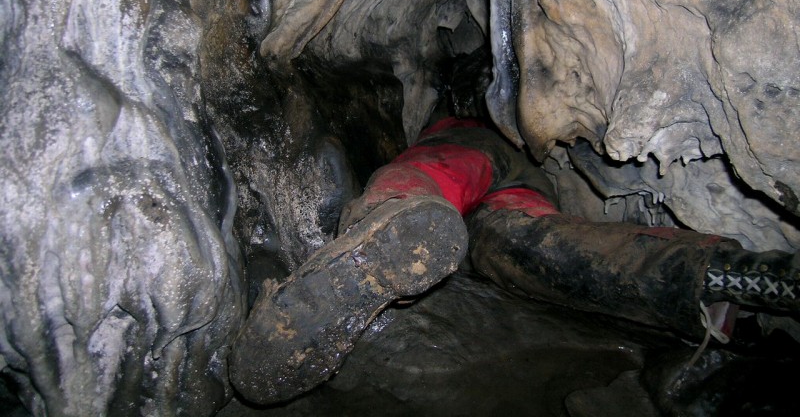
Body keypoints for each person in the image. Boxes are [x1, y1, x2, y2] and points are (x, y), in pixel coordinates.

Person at [229, 117, 800, 405]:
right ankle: (742, 276)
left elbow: (448, 158)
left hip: (473, 150)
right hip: (523, 186)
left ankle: (390, 220)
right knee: (523, 247)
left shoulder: (453, 121)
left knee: (431, 178)